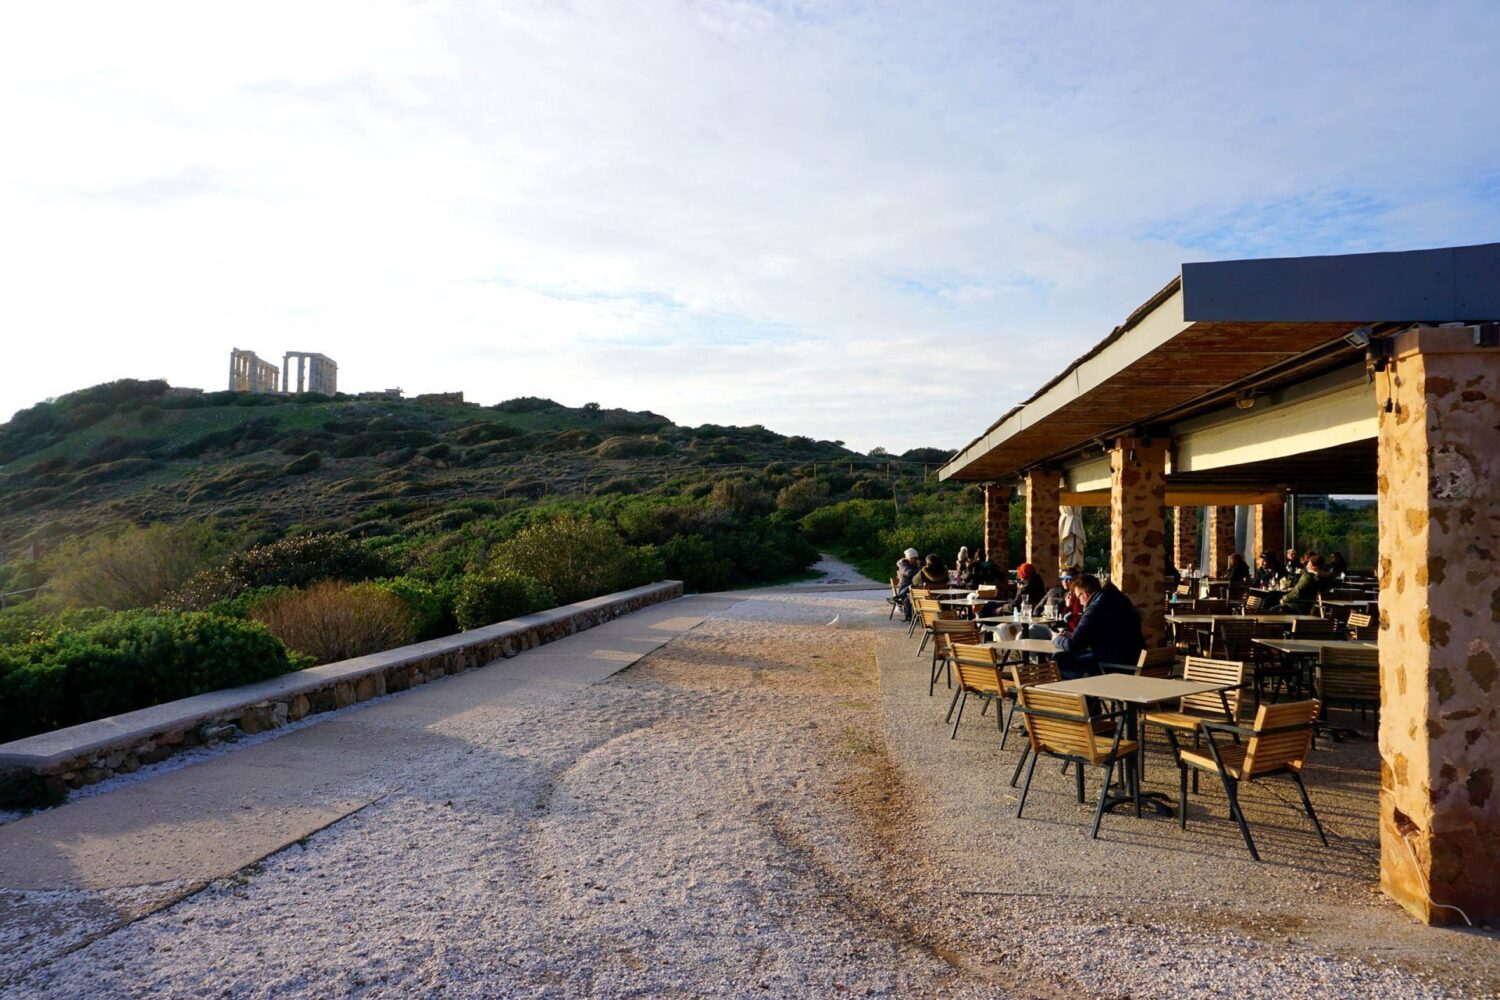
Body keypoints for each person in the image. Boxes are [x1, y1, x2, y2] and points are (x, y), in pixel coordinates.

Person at [1051, 574, 1144, 679]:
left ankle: (1083, 694)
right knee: (1063, 657)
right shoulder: (1118, 599)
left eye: (1078, 597)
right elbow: (1109, 632)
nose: (1080, 603)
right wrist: (1073, 635)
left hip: (1114, 664)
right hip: (1131, 657)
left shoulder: (1094, 608)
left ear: (1085, 594)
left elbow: (1073, 646)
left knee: (1059, 661)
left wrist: (1057, 639)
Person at [892, 547, 922, 621]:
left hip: (914, 586)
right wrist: (920, 571)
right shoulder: (903, 565)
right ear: (908, 558)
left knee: (914, 588)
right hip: (904, 587)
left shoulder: (917, 563)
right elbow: (909, 573)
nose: (915, 560)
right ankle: (909, 616)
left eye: (915, 558)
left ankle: (898, 597)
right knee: (909, 593)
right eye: (913, 558)